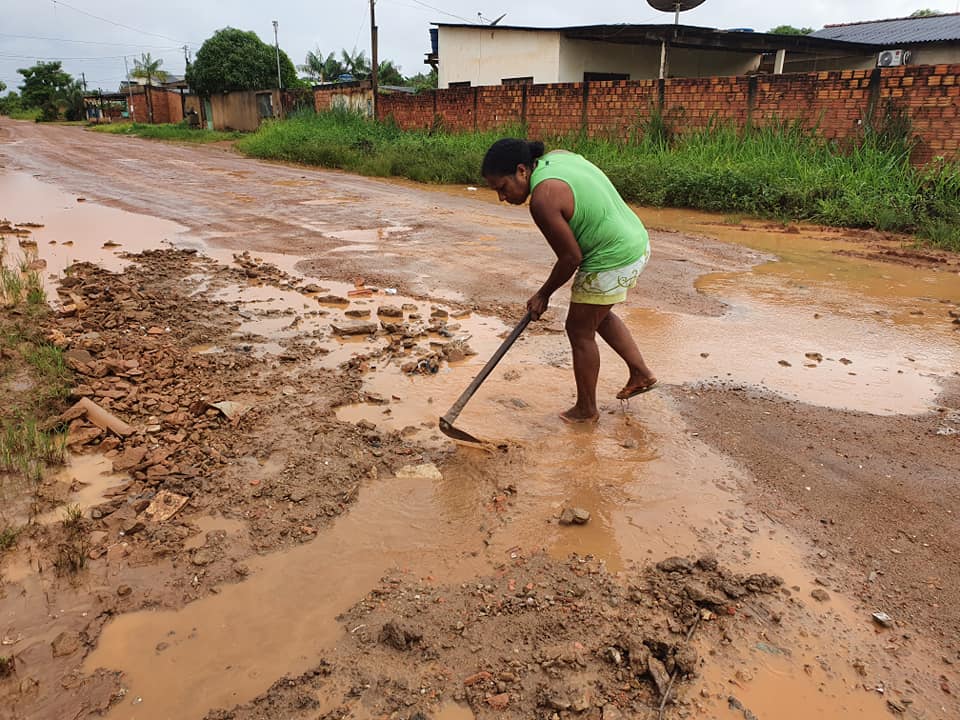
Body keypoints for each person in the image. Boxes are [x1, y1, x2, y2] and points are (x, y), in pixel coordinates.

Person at [481, 138, 657, 424]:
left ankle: (586, 410)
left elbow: (570, 258)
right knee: (595, 315)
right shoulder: (559, 157)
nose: (502, 197)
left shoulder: (542, 199)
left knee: (578, 329)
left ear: (522, 171)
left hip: (613, 255)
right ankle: (641, 373)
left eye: (503, 187)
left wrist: (543, 294)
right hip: (636, 239)